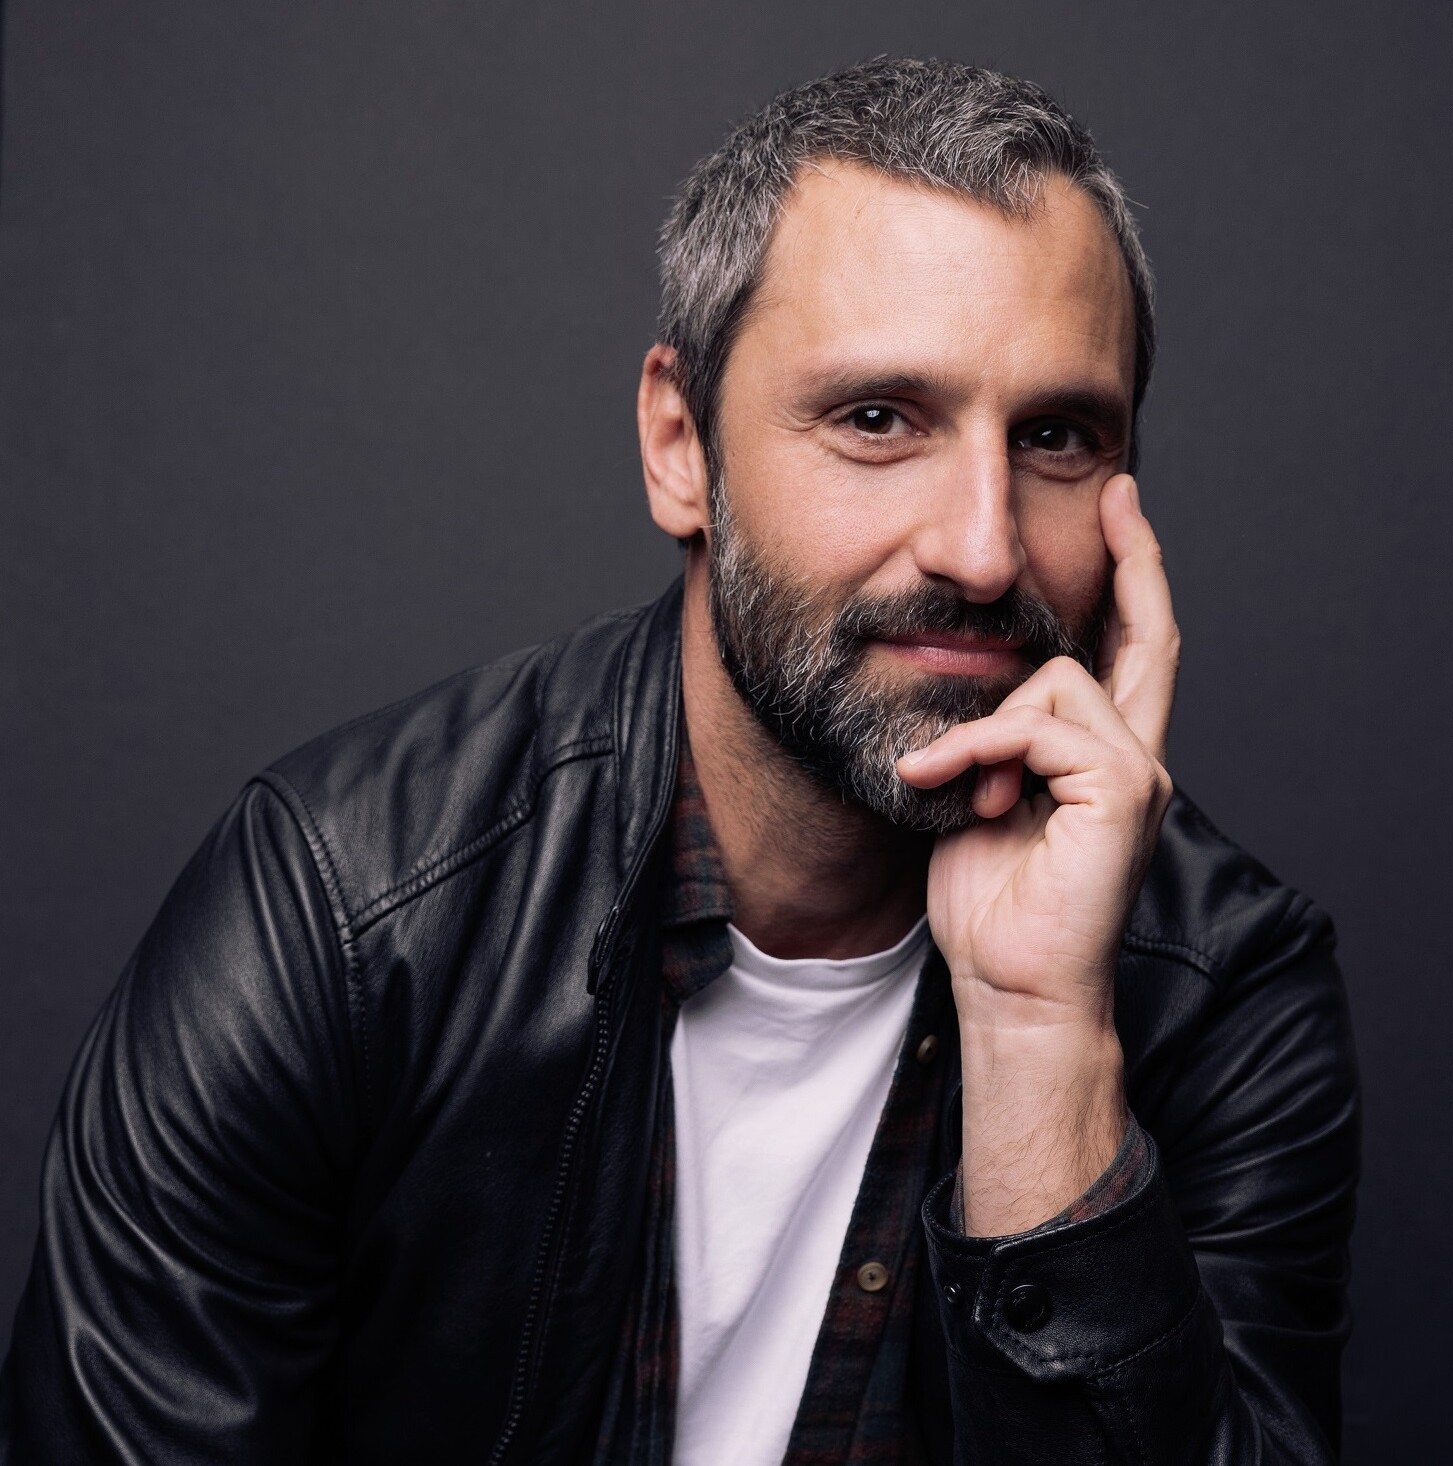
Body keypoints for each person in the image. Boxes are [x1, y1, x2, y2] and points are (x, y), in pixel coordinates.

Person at [0, 58, 1359, 1465]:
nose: (981, 546)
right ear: (679, 447)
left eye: (1057, 437)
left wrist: (1037, 1035)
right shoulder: (343, 913)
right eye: (876, 420)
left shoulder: (1223, 991)